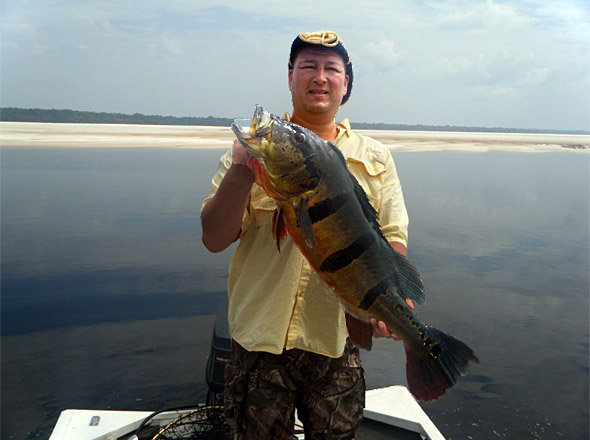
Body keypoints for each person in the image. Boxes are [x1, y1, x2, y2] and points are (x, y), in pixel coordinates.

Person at [201, 30, 410, 440]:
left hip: (336, 342)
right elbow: (213, 237)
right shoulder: (256, 148)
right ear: (291, 77)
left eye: (332, 68)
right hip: (258, 340)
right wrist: (244, 168)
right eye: (308, 66)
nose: (320, 76)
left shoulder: (375, 157)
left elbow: (391, 235)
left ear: (345, 84)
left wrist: (391, 299)